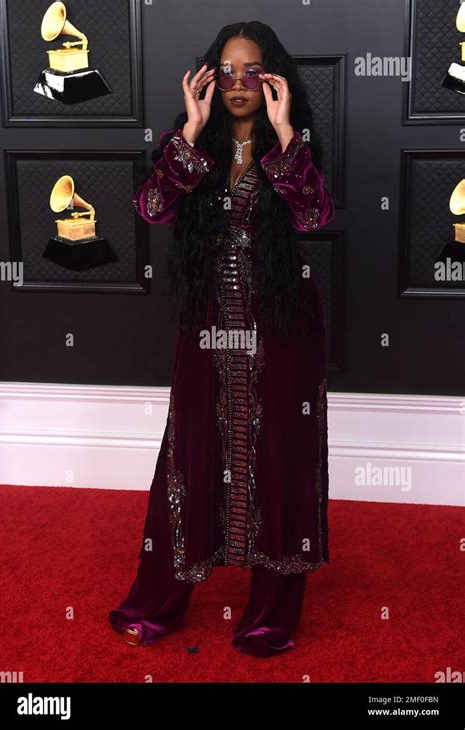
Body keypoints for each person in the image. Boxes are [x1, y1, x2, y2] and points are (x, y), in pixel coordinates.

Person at [109, 20, 335, 659]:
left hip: (282, 327)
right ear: (210, 75)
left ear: (272, 77)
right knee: (192, 454)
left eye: (252, 71)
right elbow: (152, 208)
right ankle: (160, 600)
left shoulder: (296, 141)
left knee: (280, 461)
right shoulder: (189, 143)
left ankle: (270, 617)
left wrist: (287, 132)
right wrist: (188, 129)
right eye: (227, 71)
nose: (239, 84)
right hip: (207, 325)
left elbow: (315, 215)